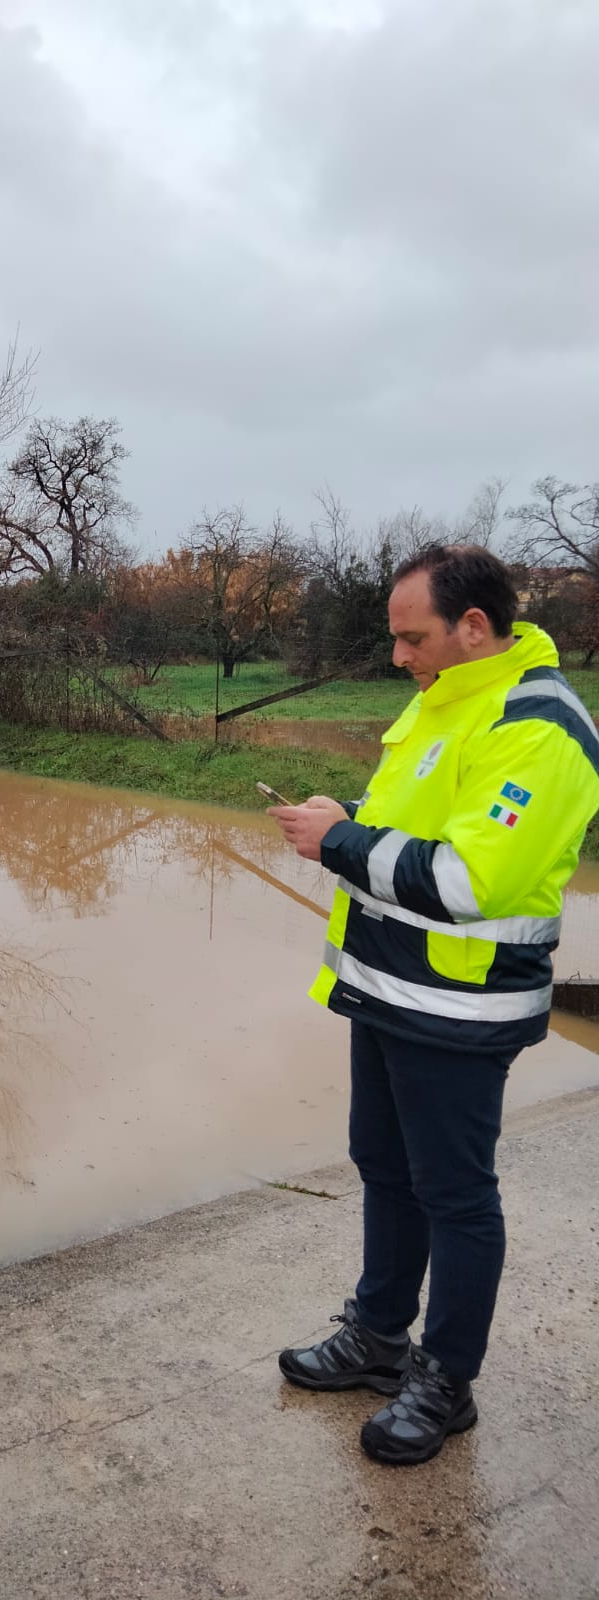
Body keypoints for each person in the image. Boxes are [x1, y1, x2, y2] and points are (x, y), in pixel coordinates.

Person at [268, 544, 599, 1466]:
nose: (399, 656)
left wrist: (340, 842)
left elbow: (466, 877)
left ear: (474, 627)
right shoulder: (441, 705)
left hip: (461, 1010)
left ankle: (446, 1380)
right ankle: (377, 1338)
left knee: (456, 1195)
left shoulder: (539, 728)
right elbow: (410, 827)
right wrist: (352, 814)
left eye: (412, 638)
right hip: (386, 992)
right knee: (383, 1163)